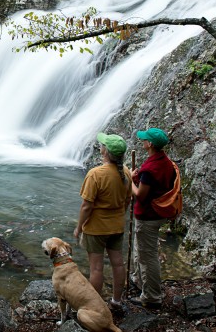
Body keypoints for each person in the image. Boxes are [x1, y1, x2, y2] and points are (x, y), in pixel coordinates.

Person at [73, 132, 132, 310]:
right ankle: (116, 301)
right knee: (118, 263)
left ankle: (94, 306)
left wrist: (79, 228)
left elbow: (86, 206)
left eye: (102, 145)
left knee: (96, 268)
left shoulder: (95, 174)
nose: (100, 146)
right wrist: (119, 215)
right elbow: (127, 200)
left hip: (96, 228)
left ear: (104, 152)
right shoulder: (127, 172)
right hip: (117, 226)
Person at [129, 127, 176, 310]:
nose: (142, 142)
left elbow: (140, 195)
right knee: (143, 252)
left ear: (150, 144)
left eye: (144, 140)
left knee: (148, 257)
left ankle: (152, 297)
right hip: (158, 213)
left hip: (148, 216)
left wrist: (130, 182)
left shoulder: (150, 168)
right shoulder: (165, 162)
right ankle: (141, 282)